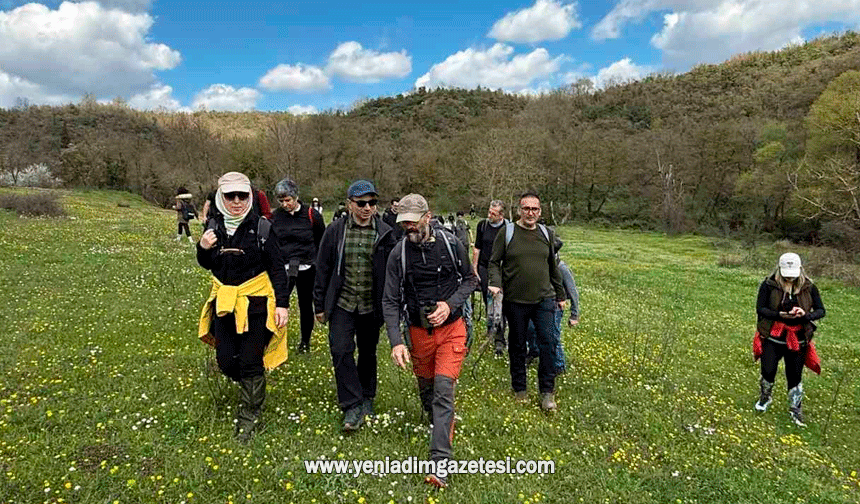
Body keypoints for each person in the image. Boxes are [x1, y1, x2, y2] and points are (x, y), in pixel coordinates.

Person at [382, 194, 477, 488]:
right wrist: (397, 342)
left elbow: (471, 280)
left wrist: (449, 304)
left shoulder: (452, 244)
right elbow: (390, 300)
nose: (407, 227)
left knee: (444, 390)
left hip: (452, 330)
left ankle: (440, 465)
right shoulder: (398, 254)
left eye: (412, 221)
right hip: (418, 333)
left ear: (428, 216)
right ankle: (433, 416)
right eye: (403, 223)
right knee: (427, 387)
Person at [196, 172, 290, 443]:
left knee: (250, 361)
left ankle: (250, 415)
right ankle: (251, 386)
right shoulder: (213, 226)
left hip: (256, 306)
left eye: (242, 195)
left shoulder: (262, 228)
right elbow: (207, 263)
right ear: (220, 198)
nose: (236, 201)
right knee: (225, 360)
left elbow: (277, 270)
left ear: (250, 197)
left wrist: (282, 305)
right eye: (230, 196)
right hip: (224, 305)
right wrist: (203, 248)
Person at [314, 180, 396, 432]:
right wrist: (319, 303)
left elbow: (393, 273)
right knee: (340, 350)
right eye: (361, 203)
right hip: (343, 303)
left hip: (372, 304)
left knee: (368, 352)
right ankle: (351, 403)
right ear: (350, 204)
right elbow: (323, 268)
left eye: (372, 203)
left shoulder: (385, 232)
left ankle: (367, 396)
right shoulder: (336, 230)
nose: (367, 208)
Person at [488, 192, 566, 412]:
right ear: (519, 210)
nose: (530, 213)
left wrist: (560, 295)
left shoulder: (546, 234)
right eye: (526, 208)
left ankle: (547, 392)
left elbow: (553, 267)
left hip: (544, 299)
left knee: (549, 343)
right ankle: (520, 388)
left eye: (535, 209)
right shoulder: (508, 232)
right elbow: (494, 262)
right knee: (518, 345)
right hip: (516, 300)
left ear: (540, 212)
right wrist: (495, 282)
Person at [754, 252, 825, 426]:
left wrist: (805, 315)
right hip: (773, 336)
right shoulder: (769, 285)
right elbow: (760, 309)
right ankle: (765, 397)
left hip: (798, 338)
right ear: (779, 270)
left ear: (800, 271)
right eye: (786, 276)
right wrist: (779, 315)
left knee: (794, 375)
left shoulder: (809, 287)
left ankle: (795, 410)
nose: (790, 280)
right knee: (768, 370)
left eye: (793, 276)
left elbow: (821, 310)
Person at [271, 178, 325, 353]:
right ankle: (275, 341)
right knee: (279, 303)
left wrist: (316, 262)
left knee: (305, 305)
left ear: (296, 197)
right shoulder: (276, 217)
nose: (286, 204)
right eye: (282, 201)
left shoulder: (312, 215)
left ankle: (305, 342)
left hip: (307, 267)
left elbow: (321, 240)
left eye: (288, 200)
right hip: (284, 267)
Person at [473, 200, 509, 355]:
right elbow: (477, 248)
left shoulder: (508, 228)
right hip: (484, 267)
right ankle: (490, 329)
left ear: (501, 215)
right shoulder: (482, 225)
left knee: (499, 304)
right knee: (488, 302)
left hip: (501, 269)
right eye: (489, 212)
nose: (489, 216)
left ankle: (499, 340)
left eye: (493, 214)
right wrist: (474, 268)